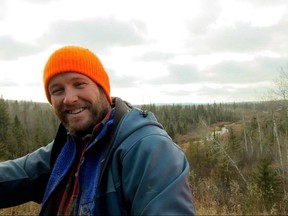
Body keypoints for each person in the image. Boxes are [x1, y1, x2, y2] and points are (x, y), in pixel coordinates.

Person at [0, 45, 196, 215]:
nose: (69, 98)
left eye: (79, 84)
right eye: (57, 90)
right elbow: (16, 174)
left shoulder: (148, 149)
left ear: (102, 89)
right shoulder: (68, 149)